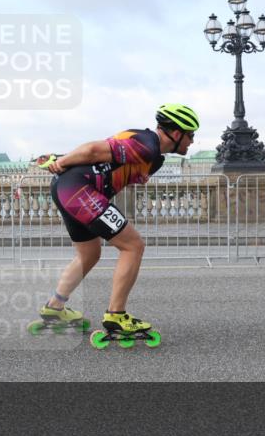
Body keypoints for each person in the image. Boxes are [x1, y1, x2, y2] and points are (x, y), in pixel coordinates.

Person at [35, 103, 200, 349]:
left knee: (90, 253)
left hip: (69, 188)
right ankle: (116, 315)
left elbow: (119, 169)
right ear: (177, 134)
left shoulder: (155, 156)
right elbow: (93, 150)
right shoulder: (147, 144)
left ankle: (55, 307)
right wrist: (62, 161)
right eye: (191, 135)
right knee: (133, 245)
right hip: (80, 189)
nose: (192, 141)